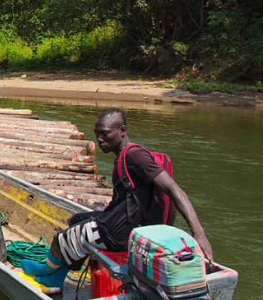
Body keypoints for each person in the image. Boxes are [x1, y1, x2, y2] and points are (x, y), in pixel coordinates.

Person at [21, 109, 214, 288]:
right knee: (77, 219)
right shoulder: (125, 154)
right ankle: (58, 270)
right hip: (124, 224)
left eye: (105, 133)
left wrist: (199, 233)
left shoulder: (134, 156)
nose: (99, 139)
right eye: (97, 134)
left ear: (122, 131)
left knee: (63, 237)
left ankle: (51, 275)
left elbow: (173, 189)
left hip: (120, 234)